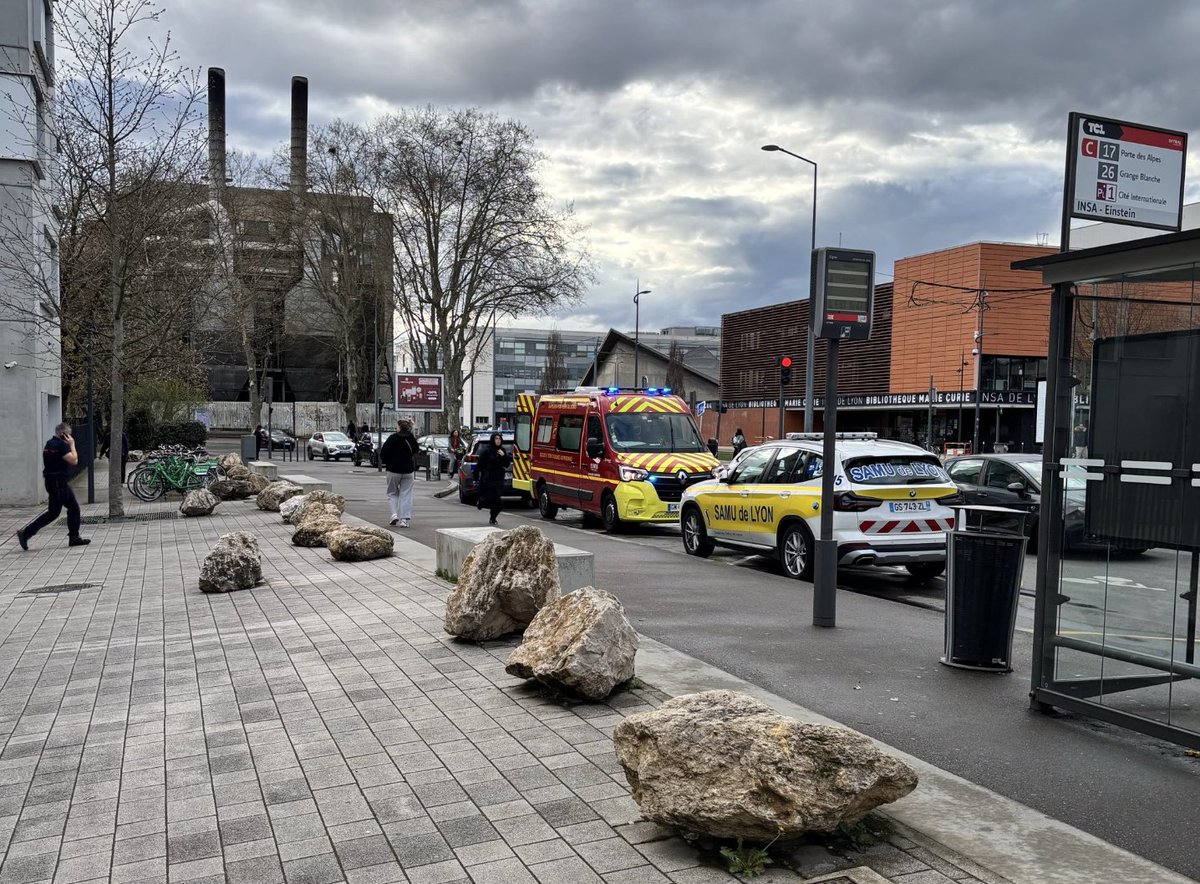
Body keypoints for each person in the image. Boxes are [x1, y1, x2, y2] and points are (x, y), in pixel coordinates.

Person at [16, 423, 90, 550]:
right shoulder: (61, 445)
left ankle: (74, 537)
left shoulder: (49, 444)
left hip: (53, 481)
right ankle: (26, 533)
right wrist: (72, 444)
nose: (70, 437)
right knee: (54, 513)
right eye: (69, 435)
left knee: (72, 508)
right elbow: (74, 460)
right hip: (58, 482)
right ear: (63, 434)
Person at [380, 418, 419, 527]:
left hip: (393, 470)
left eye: (396, 426)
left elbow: (383, 453)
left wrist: (388, 462)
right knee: (406, 494)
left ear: (399, 427)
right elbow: (416, 449)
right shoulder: (411, 438)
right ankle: (404, 520)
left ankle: (393, 514)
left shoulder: (392, 438)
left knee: (392, 493)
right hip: (408, 470)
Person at [475, 432, 512, 526]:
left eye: (499, 439)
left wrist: (504, 455)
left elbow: (507, 464)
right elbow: (480, 464)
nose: (498, 441)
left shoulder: (502, 450)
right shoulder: (487, 451)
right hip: (488, 479)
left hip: (498, 479)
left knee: (498, 502)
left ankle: (493, 518)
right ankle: (481, 502)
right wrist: (476, 476)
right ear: (493, 440)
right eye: (496, 439)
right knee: (488, 498)